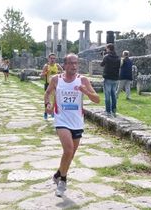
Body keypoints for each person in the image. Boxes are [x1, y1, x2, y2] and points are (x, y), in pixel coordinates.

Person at [44, 53, 100, 197]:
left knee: (70, 154)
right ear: (65, 64)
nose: (74, 66)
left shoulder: (83, 80)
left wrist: (85, 91)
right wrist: (48, 104)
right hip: (61, 119)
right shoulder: (56, 79)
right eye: (71, 63)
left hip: (77, 121)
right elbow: (48, 93)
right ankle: (63, 181)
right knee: (68, 150)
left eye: (76, 63)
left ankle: (57, 174)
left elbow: (97, 99)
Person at [41, 53, 63, 120]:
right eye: (51, 58)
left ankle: (53, 112)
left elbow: (62, 71)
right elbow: (41, 75)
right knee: (47, 99)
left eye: (54, 58)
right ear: (48, 59)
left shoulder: (57, 65)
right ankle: (46, 112)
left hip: (56, 85)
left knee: (55, 99)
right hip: (48, 84)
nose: (52, 60)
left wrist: (59, 74)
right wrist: (45, 73)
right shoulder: (46, 66)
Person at [100, 43, 120, 117]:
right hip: (115, 78)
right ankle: (114, 110)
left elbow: (102, 64)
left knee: (107, 95)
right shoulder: (118, 57)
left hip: (108, 77)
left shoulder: (106, 56)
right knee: (113, 95)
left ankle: (108, 111)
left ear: (108, 48)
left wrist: (103, 56)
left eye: (106, 48)